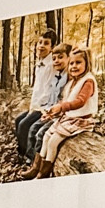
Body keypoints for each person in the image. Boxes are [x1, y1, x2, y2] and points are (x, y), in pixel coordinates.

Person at [26, 45, 98, 178]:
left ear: (87, 63)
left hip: (81, 120)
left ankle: (43, 173)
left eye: (78, 62)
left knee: (53, 141)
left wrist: (62, 107)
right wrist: (53, 111)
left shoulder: (88, 81)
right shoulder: (72, 82)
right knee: (47, 135)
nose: (74, 66)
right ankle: (36, 167)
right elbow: (65, 101)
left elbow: (79, 102)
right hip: (68, 118)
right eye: (71, 63)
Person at [14, 38, 70, 167]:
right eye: (40, 42)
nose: (41, 46)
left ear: (52, 46)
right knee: (18, 120)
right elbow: (40, 89)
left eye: (46, 43)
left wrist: (41, 108)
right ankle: (21, 153)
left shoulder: (52, 66)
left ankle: (30, 158)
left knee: (26, 125)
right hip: (41, 105)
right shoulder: (41, 64)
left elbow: (50, 93)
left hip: (46, 107)